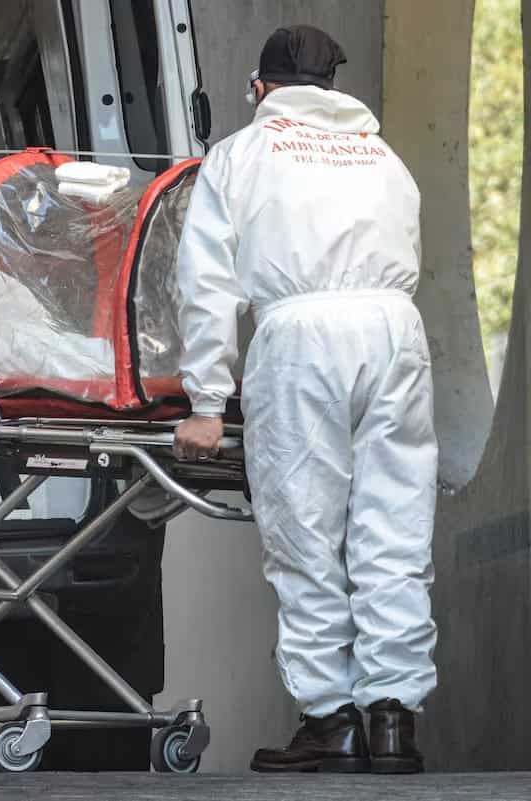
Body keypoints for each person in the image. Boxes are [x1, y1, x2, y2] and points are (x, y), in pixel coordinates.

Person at [171, 25, 437, 774]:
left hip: (301, 337)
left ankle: (329, 721)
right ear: (331, 87)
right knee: (394, 528)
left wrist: (206, 402)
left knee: (306, 533)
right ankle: (392, 719)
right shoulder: (383, 157)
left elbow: (206, 283)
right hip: (395, 334)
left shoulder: (241, 155)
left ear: (260, 88)